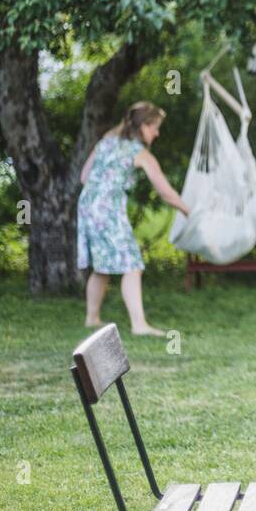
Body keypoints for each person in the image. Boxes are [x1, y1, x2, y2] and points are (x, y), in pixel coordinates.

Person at [78, 101, 190, 337]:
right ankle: (139, 325)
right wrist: (189, 212)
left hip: (88, 205)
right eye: (155, 127)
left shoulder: (106, 141)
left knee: (102, 264)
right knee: (132, 264)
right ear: (143, 126)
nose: (157, 133)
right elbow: (165, 192)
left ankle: (92, 318)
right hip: (107, 208)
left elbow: (84, 176)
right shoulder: (139, 154)